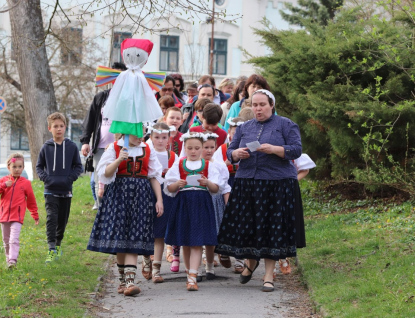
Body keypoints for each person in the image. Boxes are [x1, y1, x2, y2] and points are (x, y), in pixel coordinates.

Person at [215, 89, 302, 293]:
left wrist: (274, 150)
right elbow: (230, 151)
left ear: (271, 105)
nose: (258, 108)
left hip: (277, 183)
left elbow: (296, 149)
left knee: (272, 230)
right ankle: (250, 263)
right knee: (249, 228)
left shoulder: (286, 124)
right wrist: (236, 153)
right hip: (247, 183)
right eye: (254, 105)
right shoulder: (245, 127)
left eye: (262, 105)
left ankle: (269, 275)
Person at [87, 130, 164, 296]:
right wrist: (119, 159)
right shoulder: (114, 148)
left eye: (142, 133)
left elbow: (154, 176)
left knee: (134, 238)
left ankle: (130, 282)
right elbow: (105, 173)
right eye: (137, 134)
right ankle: (123, 281)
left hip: (141, 197)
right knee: (120, 239)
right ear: (127, 133)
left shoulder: (147, 149)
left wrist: (159, 199)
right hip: (118, 196)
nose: (141, 137)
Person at [164, 132, 223, 291]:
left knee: (197, 242)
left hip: (201, 203)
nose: (193, 151)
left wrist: (207, 182)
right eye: (189, 148)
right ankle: (190, 272)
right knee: (186, 241)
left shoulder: (209, 165)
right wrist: (178, 184)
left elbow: (216, 188)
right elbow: (169, 188)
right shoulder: (179, 164)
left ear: (202, 148)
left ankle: (192, 277)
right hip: (183, 203)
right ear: (185, 148)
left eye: (197, 148)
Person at [36, 112, 83, 264]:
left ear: (65, 127)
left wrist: (70, 179)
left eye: (61, 126)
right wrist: (47, 179)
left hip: (66, 191)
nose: (59, 129)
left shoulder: (72, 147)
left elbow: (78, 166)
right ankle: (50, 249)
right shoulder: (46, 147)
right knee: (51, 218)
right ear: (50, 128)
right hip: (50, 191)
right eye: (55, 126)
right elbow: (39, 167)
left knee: (62, 221)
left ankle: (57, 245)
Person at [80, 62, 127, 208]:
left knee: (115, 177)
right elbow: (90, 119)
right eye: (114, 75)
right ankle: (101, 208)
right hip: (100, 146)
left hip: (121, 146)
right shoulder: (101, 97)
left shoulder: (128, 99)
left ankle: (113, 208)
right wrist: (85, 141)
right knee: (98, 179)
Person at [212, 117, 245, 273]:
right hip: (227, 183)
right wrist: (230, 160)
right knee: (225, 218)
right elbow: (216, 169)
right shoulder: (223, 149)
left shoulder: (250, 148)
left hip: (244, 184)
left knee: (242, 219)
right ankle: (224, 250)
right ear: (230, 135)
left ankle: (240, 258)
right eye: (234, 134)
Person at [147, 123, 178, 283]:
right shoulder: (146, 152)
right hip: (146, 194)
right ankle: (147, 260)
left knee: (159, 233)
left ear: (169, 138)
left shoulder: (172, 156)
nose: (160, 141)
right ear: (151, 137)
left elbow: (178, 174)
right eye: (157, 137)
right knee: (146, 231)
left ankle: (156, 269)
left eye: (164, 137)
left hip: (166, 196)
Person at [277, 153, 316, 276]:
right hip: (268, 189)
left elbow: (305, 170)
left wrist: (293, 180)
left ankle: (283, 257)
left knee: (285, 223)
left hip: (288, 191)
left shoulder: (291, 151)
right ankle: (271, 264)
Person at [200, 133, 232, 280]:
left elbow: (225, 187)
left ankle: (210, 267)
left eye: (212, 147)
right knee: (198, 234)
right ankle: (197, 268)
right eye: (205, 147)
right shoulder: (193, 164)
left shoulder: (219, 165)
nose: (209, 150)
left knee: (211, 235)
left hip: (214, 201)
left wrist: (228, 205)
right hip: (198, 201)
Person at [0, 153, 39, 269]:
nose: (17, 169)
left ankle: (12, 261)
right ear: (9, 167)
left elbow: (31, 200)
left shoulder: (26, 183)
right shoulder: (3, 181)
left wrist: (35, 214)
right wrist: (3, 186)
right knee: (6, 241)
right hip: (4, 216)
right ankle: (9, 262)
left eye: (20, 167)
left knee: (14, 239)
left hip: (17, 217)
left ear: (23, 167)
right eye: (14, 167)